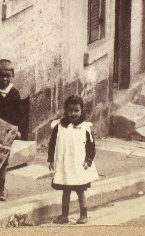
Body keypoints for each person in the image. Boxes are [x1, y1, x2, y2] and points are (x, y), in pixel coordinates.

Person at [48, 95, 96, 224]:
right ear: (65, 110)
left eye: (76, 110)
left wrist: (88, 160)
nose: (73, 113)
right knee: (66, 190)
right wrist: (51, 160)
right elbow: (52, 144)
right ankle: (64, 215)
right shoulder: (59, 126)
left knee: (80, 190)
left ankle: (83, 214)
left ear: (82, 111)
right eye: (69, 110)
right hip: (65, 163)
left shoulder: (85, 127)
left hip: (79, 164)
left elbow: (91, 146)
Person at [0, 59, 28, 201]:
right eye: (1, 76)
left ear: (13, 76)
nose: (4, 79)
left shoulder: (14, 94)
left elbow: (20, 115)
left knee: (3, 160)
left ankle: (0, 187)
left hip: (6, 134)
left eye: (8, 76)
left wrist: (17, 130)